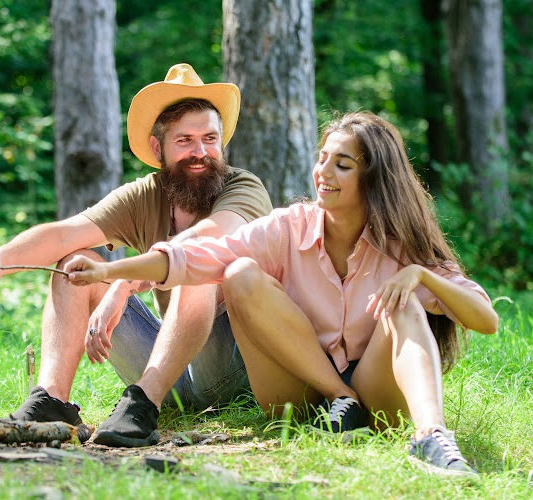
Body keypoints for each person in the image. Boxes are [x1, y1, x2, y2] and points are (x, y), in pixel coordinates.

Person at [64, 111, 498, 474]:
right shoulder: (289, 227)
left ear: (374, 178)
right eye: (322, 159)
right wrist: (112, 270)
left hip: (378, 393)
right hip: (299, 392)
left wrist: (422, 278)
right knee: (239, 272)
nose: (323, 174)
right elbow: (196, 258)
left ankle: (431, 437)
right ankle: (339, 397)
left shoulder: (403, 245)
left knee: (404, 303)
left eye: (342, 165)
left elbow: (485, 318)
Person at [0, 63, 271, 447]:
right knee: (74, 265)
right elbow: (65, 232)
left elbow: (206, 240)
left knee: (197, 267)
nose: (201, 152)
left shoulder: (243, 187)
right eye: (185, 141)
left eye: (210, 139)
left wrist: (123, 284)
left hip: (232, 370)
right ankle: (51, 401)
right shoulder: (147, 195)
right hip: (176, 371)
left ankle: (142, 404)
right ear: (158, 148)